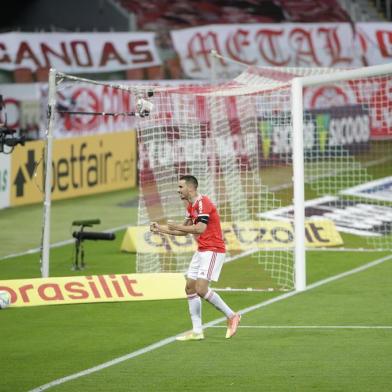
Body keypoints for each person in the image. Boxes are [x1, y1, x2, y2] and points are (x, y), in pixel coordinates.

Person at [150, 175, 241, 341]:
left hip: (213, 250)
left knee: (201, 289)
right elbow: (183, 231)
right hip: (202, 250)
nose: (178, 190)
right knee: (190, 288)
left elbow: (199, 228)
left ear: (190, 188)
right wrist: (161, 229)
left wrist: (174, 225)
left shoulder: (202, 203)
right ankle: (197, 331)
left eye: (180, 187)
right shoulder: (191, 206)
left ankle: (232, 315)